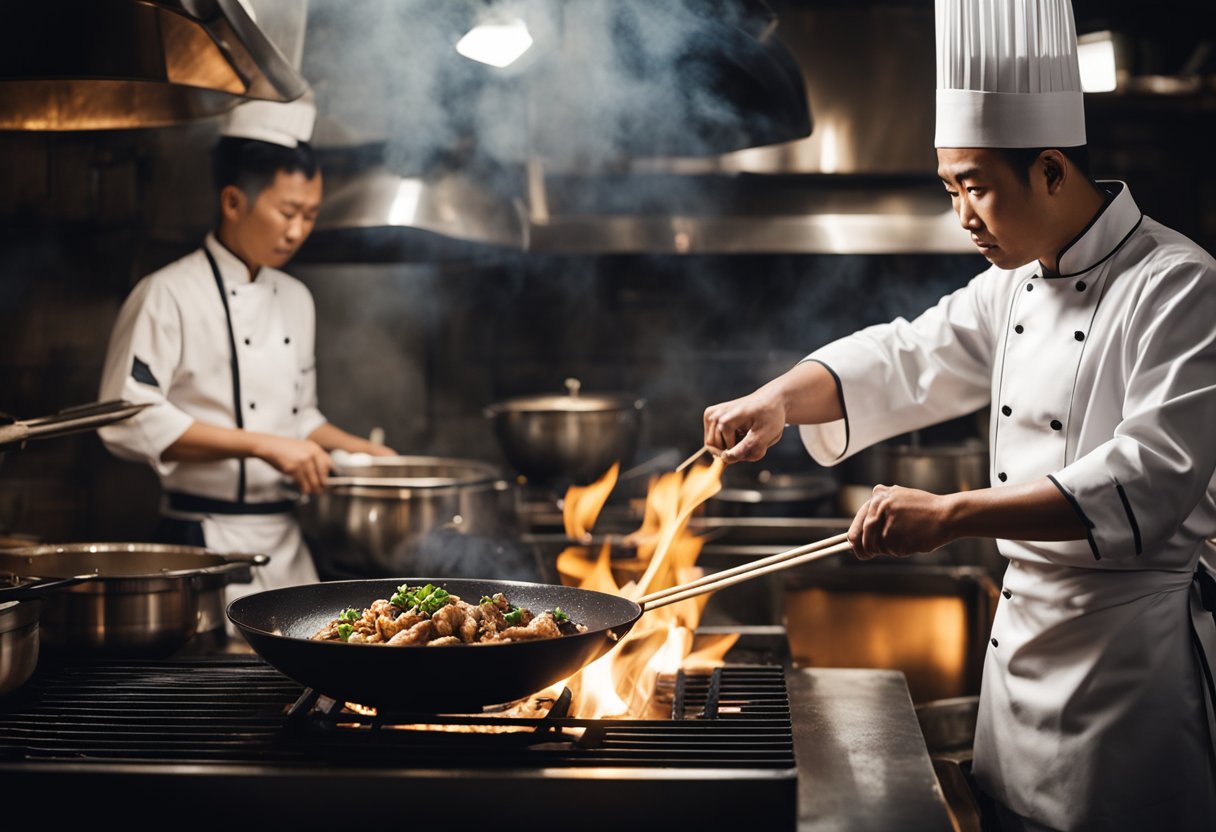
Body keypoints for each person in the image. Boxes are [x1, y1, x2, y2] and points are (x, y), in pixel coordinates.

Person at [702, 1, 1216, 829]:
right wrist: (778, 401)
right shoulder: (1014, 283)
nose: (962, 216)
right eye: (949, 189)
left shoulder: (1177, 284)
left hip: (1126, 687)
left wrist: (951, 516)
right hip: (1016, 688)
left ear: (1051, 170)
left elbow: (1146, 477)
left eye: (976, 187)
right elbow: (909, 356)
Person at [98, 96, 394, 601]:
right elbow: (126, 418)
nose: (298, 231)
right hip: (202, 543)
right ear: (233, 202)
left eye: (311, 214)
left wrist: (357, 449)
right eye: (287, 211)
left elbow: (297, 418)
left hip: (288, 549)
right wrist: (262, 443)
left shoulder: (296, 298)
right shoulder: (166, 294)